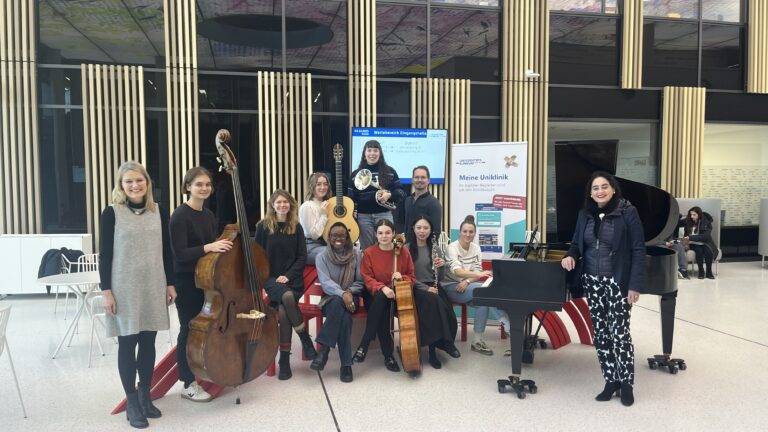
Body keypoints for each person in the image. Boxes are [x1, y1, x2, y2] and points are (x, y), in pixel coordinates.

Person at [99, 161, 176, 429]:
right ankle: (132, 401)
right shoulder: (112, 213)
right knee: (127, 344)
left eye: (139, 180)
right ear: (121, 186)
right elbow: (105, 254)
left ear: (147, 182)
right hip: (124, 288)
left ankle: (145, 395)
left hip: (153, 284)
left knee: (148, 342)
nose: (134, 185)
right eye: (128, 181)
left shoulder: (159, 210)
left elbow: (166, 250)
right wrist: (106, 291)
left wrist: (170, 283)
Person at [560, 171, 644, 407]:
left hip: (618, 282)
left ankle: (626, 383)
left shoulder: (628, 212)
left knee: (620, 334)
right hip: (592, 282)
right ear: (591, 193)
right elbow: (577, 244)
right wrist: (569, 256)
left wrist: (634, 285)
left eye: (604, 186)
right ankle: (611, 380)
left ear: (613, 188)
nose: (600, 191)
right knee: (602, 335)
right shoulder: (584, 214)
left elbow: (638, 250)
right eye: (595, 188)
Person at [169, 167, 233, 402]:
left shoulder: (207, 215)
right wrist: (209, 247)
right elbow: (180, 253)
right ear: (188, 187)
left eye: (207, 184)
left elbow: (210, 247)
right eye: (199, 184)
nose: (204, 188)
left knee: (208, 328)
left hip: (206, 280)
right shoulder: (179, 216)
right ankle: (187, 382)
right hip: (186, 281)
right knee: (189, 329)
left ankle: (206, 369)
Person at [253, 190, 317, 380]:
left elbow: (302, 257)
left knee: (283, 311)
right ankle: (305, 338)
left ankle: (285, 361)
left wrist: (288, 276)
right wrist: (273, 278)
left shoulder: (296, 227)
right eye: (279, 202)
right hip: (270, 279)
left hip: (293, 280)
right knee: (286, 298)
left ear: (291, 205)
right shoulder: (263, 227)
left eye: (286, 202)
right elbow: (258, 256)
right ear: (272, 205)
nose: (282, 205)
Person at [352, 219, 415, 372]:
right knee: (382, 302)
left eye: (388, 232)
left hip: (396, 294)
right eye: (380, 233)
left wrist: (401, 277)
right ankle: (388, 356)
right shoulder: (369, 252)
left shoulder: (402, 251)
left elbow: (412, 277)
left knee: (383, 304)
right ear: (375, 235)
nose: (384, 236)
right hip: (373, 295)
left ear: (393, 234)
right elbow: (367, 277)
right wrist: (382, 288)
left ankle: (364, 344)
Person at [441, 215, 507, 356]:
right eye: (465, 231)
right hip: (450, 286)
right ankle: (508, 325)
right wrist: (478, 276)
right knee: (485, 292)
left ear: (475, 233)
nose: (468, 234)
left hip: (467, 285)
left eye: (471, 232)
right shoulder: (451, 248)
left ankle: (477, 342)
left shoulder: (476, 248)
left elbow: (476, 269)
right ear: (460, 232)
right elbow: (457, 271)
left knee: (483, 302)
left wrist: (468, 281)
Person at [310, 222, 364, 383]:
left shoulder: (356, 254)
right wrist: (342, 294)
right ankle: (346, 365)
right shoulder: (321, 257)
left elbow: (360, 282)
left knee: (341, 309)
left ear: (347, 237)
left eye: (342, 235)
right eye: (334, 235)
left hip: (351, 297)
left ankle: (323, 351)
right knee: (340, 310)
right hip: (330, 299)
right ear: (329, 237)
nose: (338, 238)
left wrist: (348, 293)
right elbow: (326, 283)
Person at [407, 216, 460, 369]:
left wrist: (442, 266)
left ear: (431, 231)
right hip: (415, 287)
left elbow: (441, 277)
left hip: (434, 285)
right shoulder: (406, 248)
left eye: (426, 228)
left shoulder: (435, 248)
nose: (422, 231)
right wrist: (425, 288)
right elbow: (406, 276)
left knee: (447, 310)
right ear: (413, 229)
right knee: (434, 302)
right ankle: (436, 350)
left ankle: (445, 344)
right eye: (419, 228)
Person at [349, 140, 405, 250]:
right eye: (369, 150)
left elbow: (401, 193)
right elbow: (351, 197)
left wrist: (389, 195)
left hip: (384, 213)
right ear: (364, 154)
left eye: (375, 150)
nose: (372, 153)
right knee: (367, 249)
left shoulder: (390, 171)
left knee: (387, 247)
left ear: (380, 153)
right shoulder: (356, 174)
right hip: (363, 216)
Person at [400, 166, 442, 239]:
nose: (419, 180)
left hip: (424, 247)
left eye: (423, 177)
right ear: (412, 180)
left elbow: (436, 231)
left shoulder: (434, 203)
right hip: (408, 246)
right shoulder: (408, 200)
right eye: (416, 177)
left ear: (428, 180)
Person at [298, 172, 331, 265]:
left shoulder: (328, 204)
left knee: (354, 251)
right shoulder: (307, 206)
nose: (323, 187)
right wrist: (324, 215)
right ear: (312, 186)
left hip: (327, 243)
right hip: (311, 246)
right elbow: (313, 235)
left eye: (325, 184)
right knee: (335, 254)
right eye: (318, 184)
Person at [683, 206, 719, 279]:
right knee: (699, 251)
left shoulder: (706, 223)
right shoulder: (688, 221)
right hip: (692, 243)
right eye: (691, 214)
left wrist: (690, 237)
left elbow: (705, 236)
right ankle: (701, 271)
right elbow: (678, 223)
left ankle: (709, 272)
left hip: (705, 242)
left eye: (694, 215)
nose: (692, 216)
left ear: (699, 215)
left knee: (708, 251)